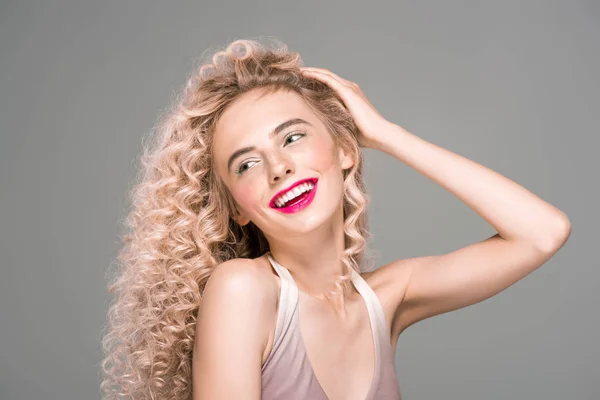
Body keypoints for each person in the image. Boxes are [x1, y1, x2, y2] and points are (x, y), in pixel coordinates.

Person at [100, 37, 571, 400]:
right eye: (246, 164)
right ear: (237, 210)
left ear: (345, 150)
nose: (278, 167)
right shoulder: (243, 290)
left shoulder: (386, 301)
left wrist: (387, 134)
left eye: (292, 137)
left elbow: (542, 233)